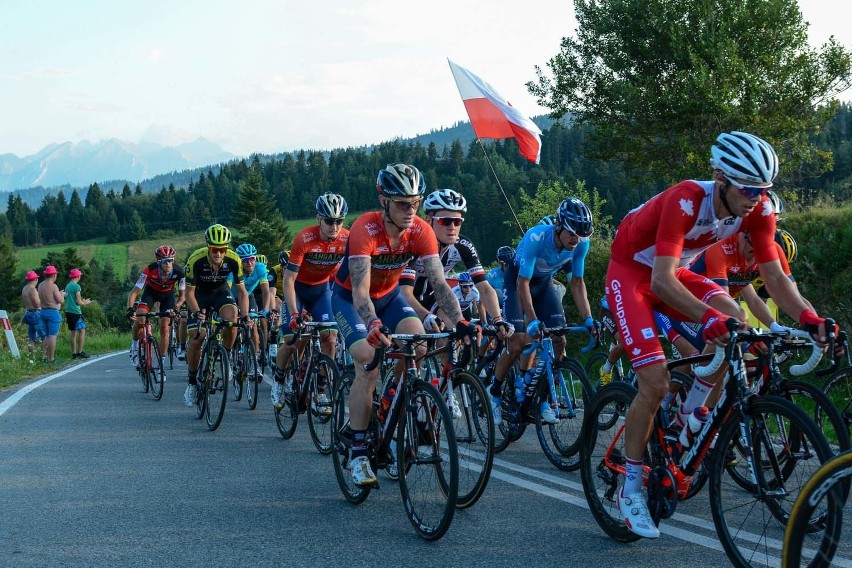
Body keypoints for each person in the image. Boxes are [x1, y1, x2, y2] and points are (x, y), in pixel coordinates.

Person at [605, 131, 836, 539]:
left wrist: (810, 318)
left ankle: (691, 417)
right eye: (748, 188)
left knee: (736, 319)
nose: (756, 197)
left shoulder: (758, 209)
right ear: (721, 179)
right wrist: (707, 318)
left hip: (675, 273)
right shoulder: (686, 199)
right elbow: (659, 281)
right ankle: (631, 485)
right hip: (633, 276)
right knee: (655, 381)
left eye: (764, 189)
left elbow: (775, 276)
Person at [331, 163, 477, 487]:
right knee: (368, 363)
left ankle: (389, 406)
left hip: (390, 297)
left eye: (415, 202)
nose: (410, 210)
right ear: (384, 200)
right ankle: (357, 452)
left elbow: (439, 283)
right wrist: (372, 324)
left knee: (420, 343)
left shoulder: (421, 230)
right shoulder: (364, 230)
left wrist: (461, 322)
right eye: (402, 203)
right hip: (350, 302)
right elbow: (359, 290)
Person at [487, 197, 598, 425]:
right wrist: (534, 321)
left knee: (559, 339)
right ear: (558, 226)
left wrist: (588, 318)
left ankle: (544, 397)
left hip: (544, 283)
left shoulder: (580, 244)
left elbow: (577, 282)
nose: (576, 241)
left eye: (582, 236)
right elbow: (522, 284)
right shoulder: (536, 237)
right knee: (518, 340)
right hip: (518, 281)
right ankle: (495, 390)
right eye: (572, 234)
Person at [274, 193, 350, 410]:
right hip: (297, 290)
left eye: (339, 221)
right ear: (319, 219)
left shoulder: (347, 239)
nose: (334, 227)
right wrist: (295, 313)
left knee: (330, 338)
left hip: (320, 291)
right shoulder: (304, 238)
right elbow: (288, 280)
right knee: (293, 339)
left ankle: (320, 389)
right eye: (329, 221)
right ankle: (279, 380)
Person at [400, 188, 511, 337]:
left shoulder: (463, 245)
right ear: (428, 220)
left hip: (434, 298)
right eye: (445, 221)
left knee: (455, 331)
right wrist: (425, 316)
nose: (452, 227)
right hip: (403, 298)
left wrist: (497, 319)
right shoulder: (412, 243)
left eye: (457, 221)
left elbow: (484, 288)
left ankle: (450, 361)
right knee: (419, 350)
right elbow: (404, 291)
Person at [182, 224, 252, 407]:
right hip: (199, 295)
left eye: (222, 249)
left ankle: (226, 358)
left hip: (221, 292)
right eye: (214, 249)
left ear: (226, 248)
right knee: (198, 337)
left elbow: (243, 293)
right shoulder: (195, 260)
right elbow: (188, 294)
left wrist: (245, 317)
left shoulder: (234, 259)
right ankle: (191, 383)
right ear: (208, 246)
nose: (218, 253)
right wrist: (197, 312)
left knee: (232, 320)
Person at [126, 245, 186, 375]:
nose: (168, 264)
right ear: (159, 262)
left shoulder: (179, 272)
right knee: (140, 318)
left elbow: (182, 297)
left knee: (165, 327)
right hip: (150, 294)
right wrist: (130, 309)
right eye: (165, 261)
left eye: (171, 260)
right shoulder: (150, 269)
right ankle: (135, 346)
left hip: (167, 297)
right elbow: (134, 292)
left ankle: (161, 366)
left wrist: (176, 308)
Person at [37, 265, 64, 363]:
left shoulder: (40, 285)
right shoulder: (53, 286)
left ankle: (43, 357)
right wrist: (62, 294)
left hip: (43, 311)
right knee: (52, 336)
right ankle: (51, 358)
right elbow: (60, 300)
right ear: (54, 275)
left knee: (46, 336)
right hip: (52, 313)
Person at [65, 268, 93, 359]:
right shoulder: (77, 287)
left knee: (73, 333)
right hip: (76, 312)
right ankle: (80, 352)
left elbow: (73, 300)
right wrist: (86, 302)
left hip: (68, 311)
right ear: (77, 276)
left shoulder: (68, 286)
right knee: (82, 331)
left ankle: (74, 354)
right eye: (80, 275)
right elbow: (79, 301)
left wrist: (81, 301)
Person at [21, 270, 45, 362]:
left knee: (31, 338)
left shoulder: (25, 288)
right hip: (35, 313)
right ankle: (43, 358)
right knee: (44, 336)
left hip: (28, 313)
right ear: (35, 279)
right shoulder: (32, 289)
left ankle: (31, 359)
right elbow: (37, 304)